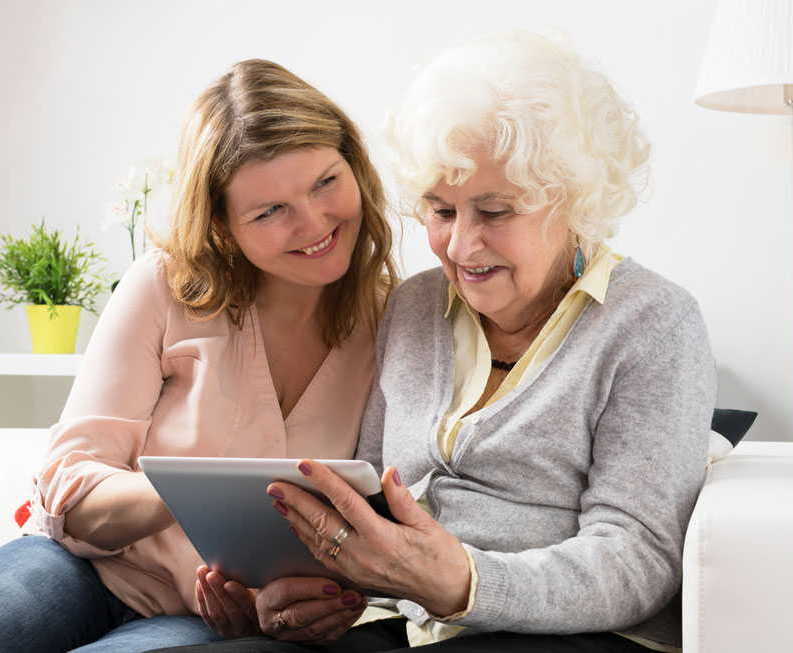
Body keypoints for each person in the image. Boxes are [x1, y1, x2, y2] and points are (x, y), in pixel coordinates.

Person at [181, 31, 716, 653]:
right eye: (441, 211)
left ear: (573, 200)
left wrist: (464, 582)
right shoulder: (412, 306)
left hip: (569, 633)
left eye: (494, 212)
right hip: (398, 626)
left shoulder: (654, 324)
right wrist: (320, 595)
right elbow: (374, 502)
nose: (460, 248)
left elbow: (638, 560)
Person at [0, 59, 397, 653]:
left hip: (205, 619)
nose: (313, 223)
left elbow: (369, 527)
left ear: (353, 163)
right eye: (268, 211)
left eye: (326, 182)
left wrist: (292, 603)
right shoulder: (165, 286)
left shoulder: (392, 326)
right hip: (80, 568)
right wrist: (196, 495)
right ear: (223, 225)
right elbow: (69, 487)